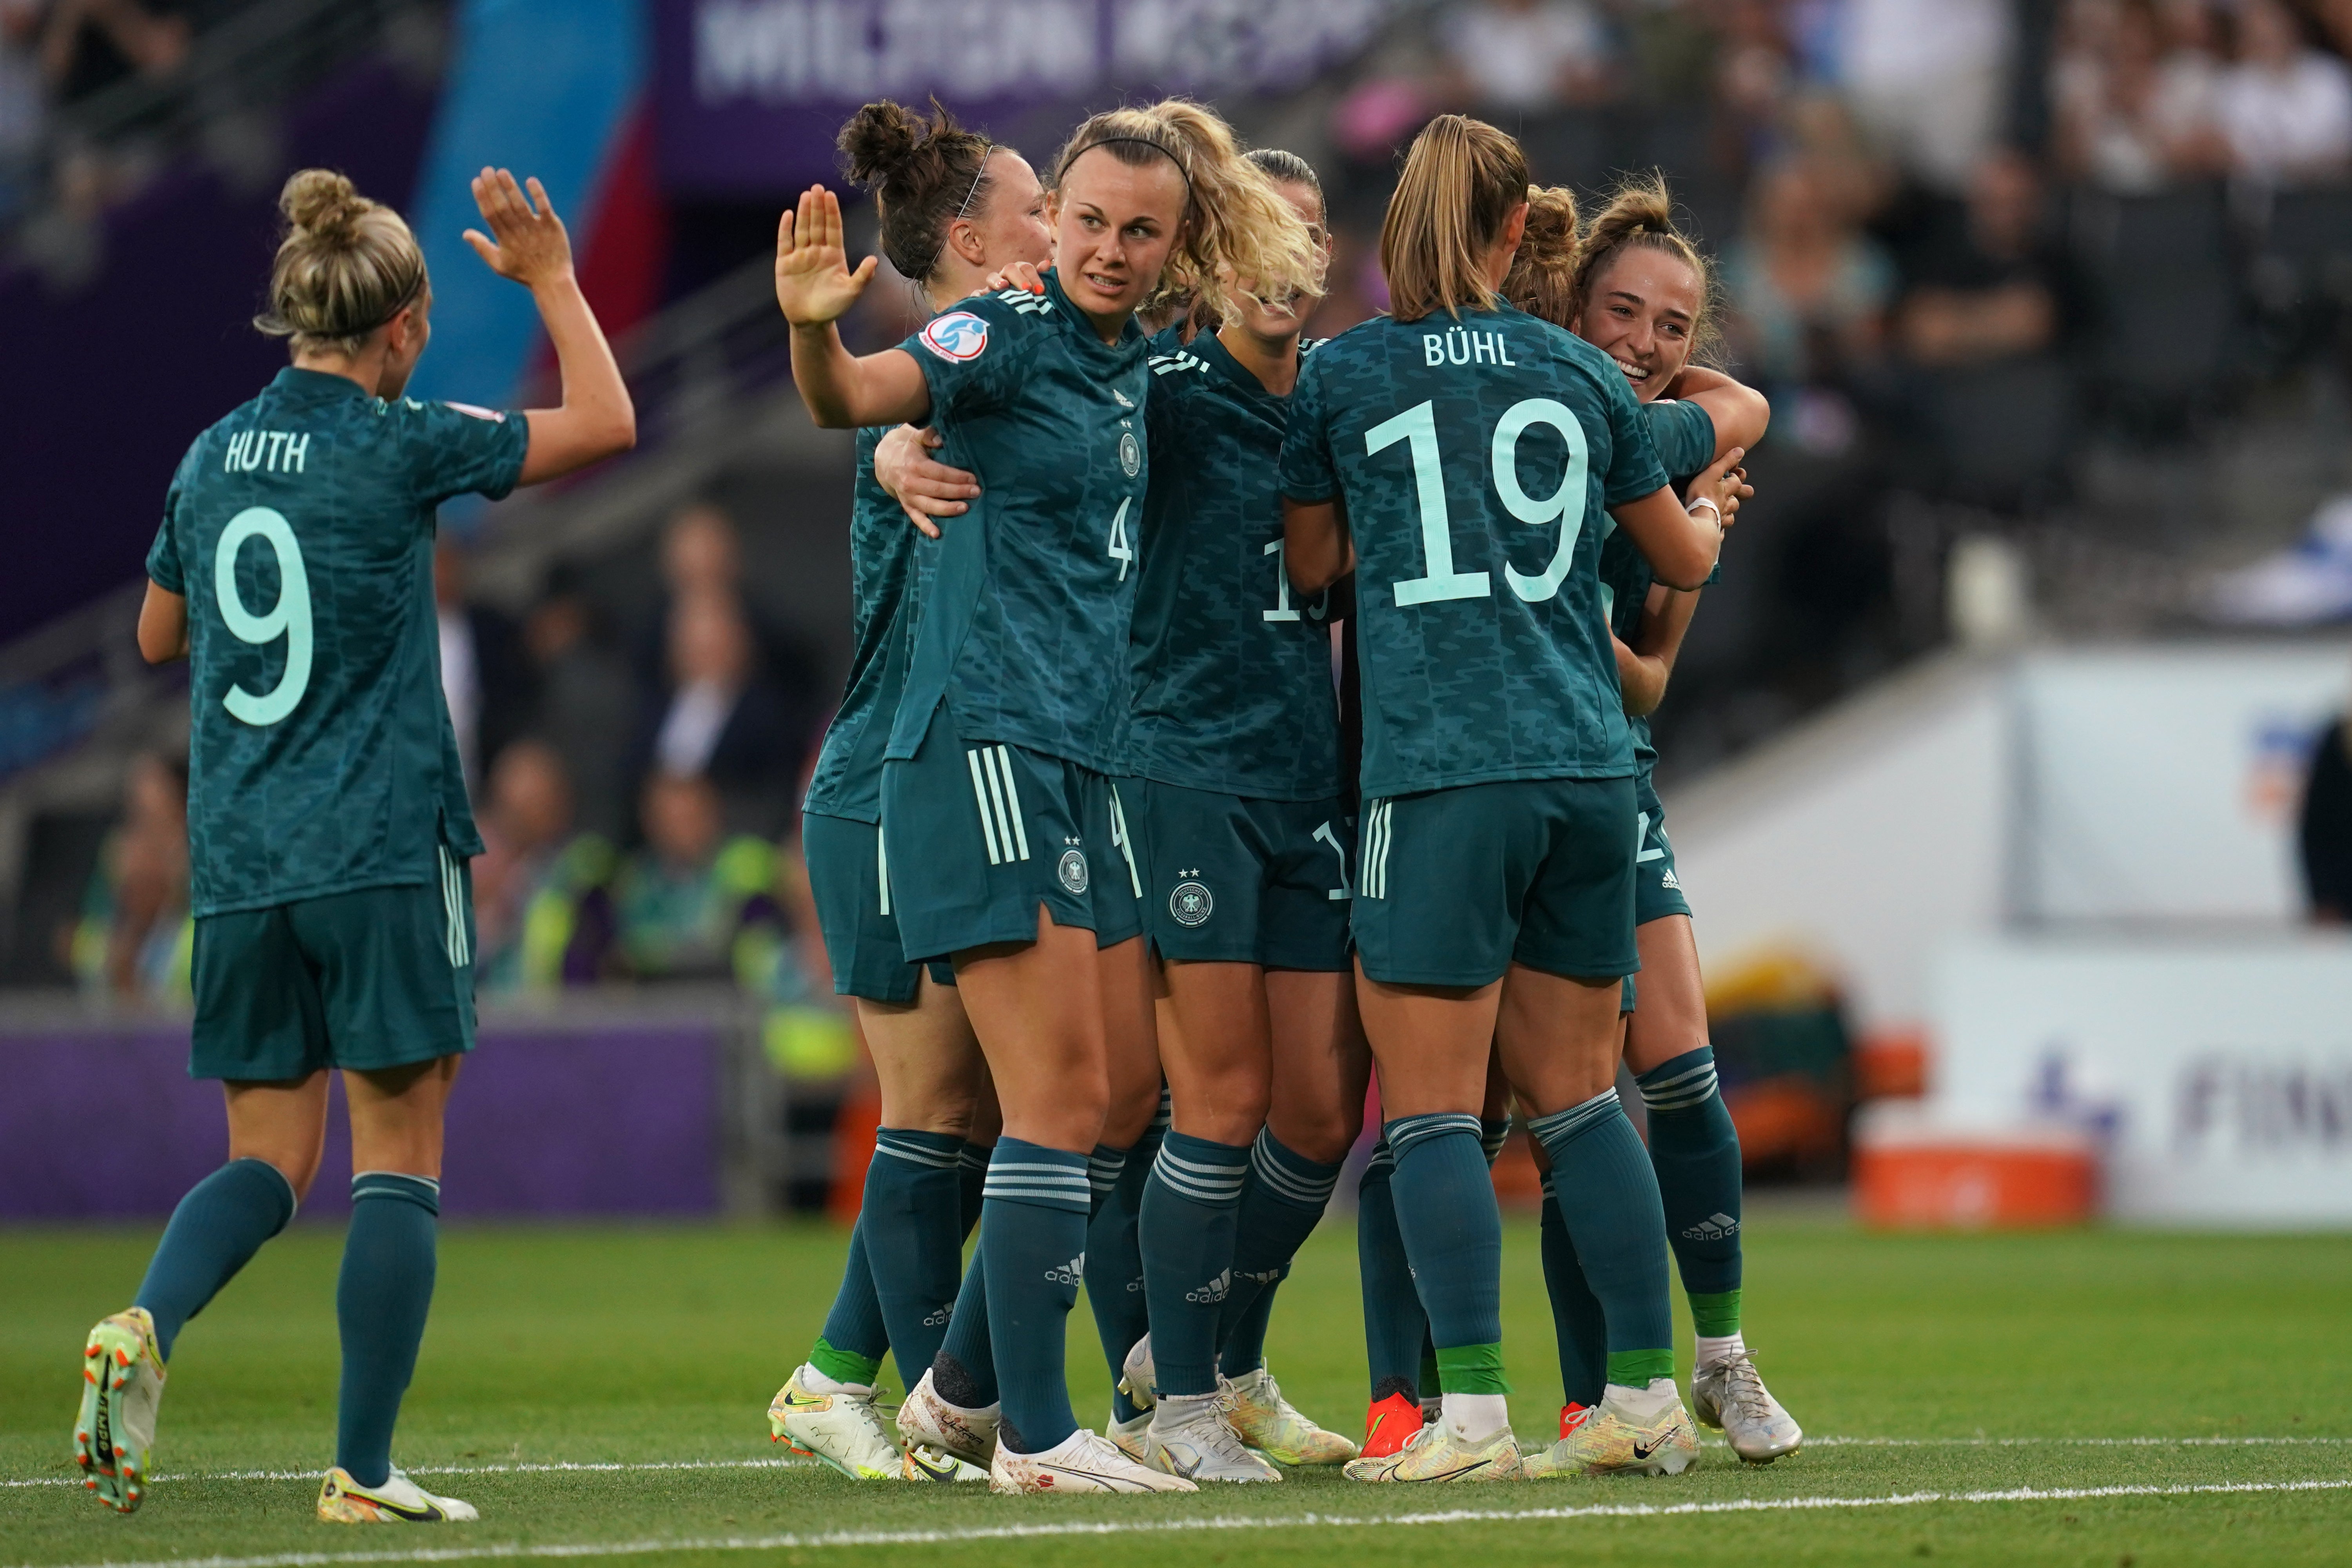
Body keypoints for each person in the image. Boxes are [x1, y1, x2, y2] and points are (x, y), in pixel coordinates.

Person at [773, 97, 1318, 1495]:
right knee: (1048, 1105)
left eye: (1142, 231)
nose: (1110, 250)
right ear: (1049, 221)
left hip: (1076, 758)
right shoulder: (1004, 334)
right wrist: (813, 335)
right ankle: (1032, 1430)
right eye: (1087, 221)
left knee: (1093, 1096)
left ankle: (970, 1407)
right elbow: (855, 398)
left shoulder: (1134, 363)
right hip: (987, 748)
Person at [79, 163, 633, 1523]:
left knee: (267, 1159)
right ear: (400, 329)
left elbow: (158, 637)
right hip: (381, 845)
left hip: (245, 860)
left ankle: (146, 1324)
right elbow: (609, 421)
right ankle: (366, 1471)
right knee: (399, 1157)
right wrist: (555, 278)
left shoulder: (210, 454)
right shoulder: (405, 441)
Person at [1280, 114, 1722, 1485]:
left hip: (1440, 767)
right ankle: (1645, 1396)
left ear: (1404, 225)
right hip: (1591, 770)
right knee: (1588, 1101)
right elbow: (1675, 547)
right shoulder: (1581, 371)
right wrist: (1708, 514)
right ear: (1510, 233)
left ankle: (1467, 1417)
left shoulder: (1343, 373)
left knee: (1427, 1114)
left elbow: (1312, 573)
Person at [766, 98, 1049, 1485]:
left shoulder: (1007, 362)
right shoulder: (940, 375)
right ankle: (917, 1390)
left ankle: (842, 1373)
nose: (1056, 228)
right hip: (891, 779)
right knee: (944, 1111)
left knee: (990, 1112)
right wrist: (856, 399)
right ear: (969, 237)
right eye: (1039, 205)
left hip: (940, 773)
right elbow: (871, 407)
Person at [1501, 175, 1801, 1470]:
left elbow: (1653, 676)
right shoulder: (1516, 418)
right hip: (1493, 774)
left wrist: (1680, 552)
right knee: (1557, 1101)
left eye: (1672, 326)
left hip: (1610, 770)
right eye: (1619, 310)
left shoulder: (1677, 442)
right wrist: (1660, 558)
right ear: (1570, 303)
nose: (1642, 341)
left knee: (1678, 1063)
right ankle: (1584, 1396)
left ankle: (1722, 1358)